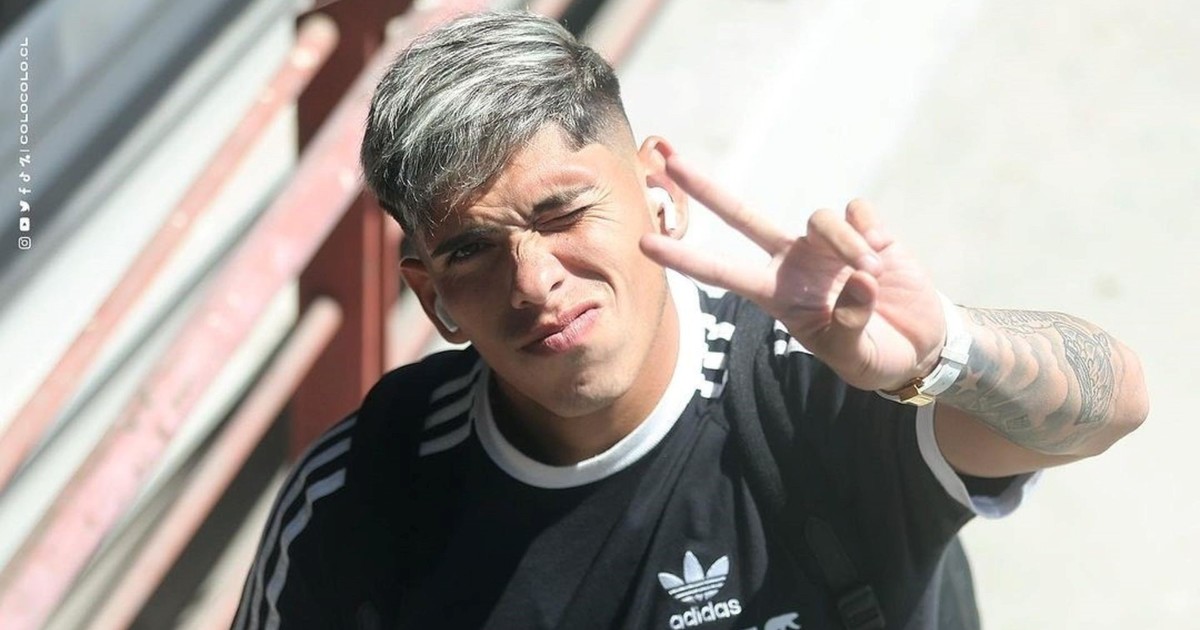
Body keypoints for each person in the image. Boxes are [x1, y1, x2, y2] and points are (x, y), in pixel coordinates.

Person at [232, 10, 1148, 630]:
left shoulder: (814, 386)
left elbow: (1114, 406)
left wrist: (943, 349)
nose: (534, 282)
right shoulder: (356, 503)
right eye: (472, 249)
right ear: (433, 298)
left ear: (657, 193)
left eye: (561, 213)